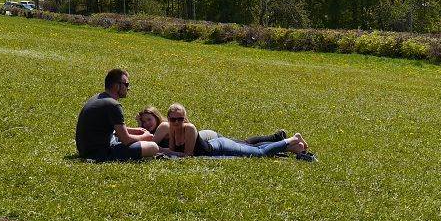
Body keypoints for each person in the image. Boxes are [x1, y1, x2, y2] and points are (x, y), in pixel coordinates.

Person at [158, 103, 316, 160]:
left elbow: (188, 155)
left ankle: (292, 139)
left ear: (185, 118)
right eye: (173, 119)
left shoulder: (190, 128)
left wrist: (165, 151)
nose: (176, 122)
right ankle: (293, 147)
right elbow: (173, 150)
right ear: (169, 119)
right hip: (215, 146)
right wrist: (166, 151)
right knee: (253, 148)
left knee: (259, 153)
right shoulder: (171, 128)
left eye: (180, 119)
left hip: (220, 146)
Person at [75, 69, 159, 162]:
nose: (128, 88)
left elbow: (109, 128)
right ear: (116, 86)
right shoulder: (113, 105)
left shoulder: (97, 98)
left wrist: (135, 130)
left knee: (137, 141)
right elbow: (126, 139)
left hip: (86, 150)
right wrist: (145, 137)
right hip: (100, 153)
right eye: (126, 84)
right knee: (153, 147)